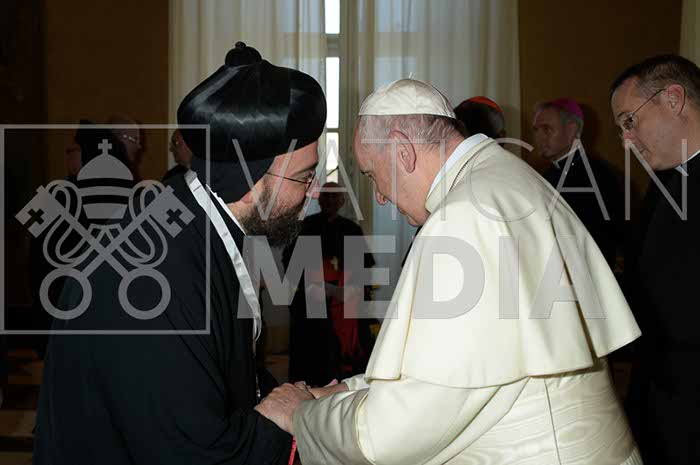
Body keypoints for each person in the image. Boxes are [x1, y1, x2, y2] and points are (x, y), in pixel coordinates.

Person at [258, 78, 643, 464]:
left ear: (403, 151)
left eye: (372, 175)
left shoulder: (462, 217)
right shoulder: (505, 177)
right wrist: (345, 390)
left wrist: (302, 414)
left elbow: (398, 431)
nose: (380, 196)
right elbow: (455, 371)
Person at [33, 42, 326, 465]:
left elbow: (219, 370)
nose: (313, 193)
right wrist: (282, 415)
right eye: (305, 177)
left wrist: (305, 401)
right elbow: (194, 451)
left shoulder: (198, 221)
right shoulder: (151, 276)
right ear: (250, 179)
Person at [610, 54, 700, 464]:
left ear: (674, 99)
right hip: (662, 390)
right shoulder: (665, 178)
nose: (626, 141)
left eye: (630, 121)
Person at [284, 182, 375, 386]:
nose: (331, 201)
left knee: (345, 357)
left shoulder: (351, 229)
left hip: (344, 302)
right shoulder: (305, 227)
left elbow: (362, 267)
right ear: (319, 199)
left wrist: (344, 290)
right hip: (313, 302)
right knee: (311, 356)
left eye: (335, 197)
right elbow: (290, 264)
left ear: (342, 201)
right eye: (327, 196)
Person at [533, 98, 622, 266]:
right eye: (536, 130)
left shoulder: (599, 176)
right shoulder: (545, 174)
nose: (539, 137)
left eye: (546, 129)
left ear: (571, 130)